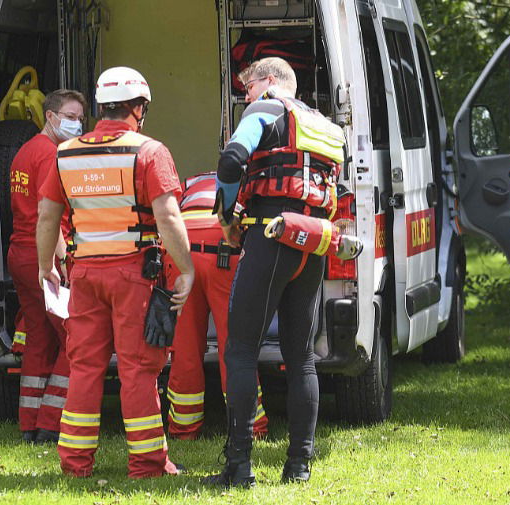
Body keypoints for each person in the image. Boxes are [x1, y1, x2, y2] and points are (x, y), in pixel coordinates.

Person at [36, 66, 195, 477]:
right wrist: (187, 269)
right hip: (133, 276)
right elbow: (169, 218)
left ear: (102, 106)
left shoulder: (65, 153)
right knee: (138, 369)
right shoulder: (148, 151)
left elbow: (46, 217)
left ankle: (74, 464)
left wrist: (45, 267)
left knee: (85, 368)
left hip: (84, 274)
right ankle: (147, 464)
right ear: (138, 107)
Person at [204, 57, 345, 486]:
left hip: (270, 235)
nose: (245, 96)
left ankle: (239, 468)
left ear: (269, 82)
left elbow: (232, 161)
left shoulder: (266, 107)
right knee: (301, 357)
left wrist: (227, 216)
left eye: (247, 87)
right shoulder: (323, 124)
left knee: (241, 350)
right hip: (312, 241)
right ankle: (299, 466)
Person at [164, 171, 269, 440]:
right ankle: (249, 427)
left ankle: (183, 429)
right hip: (223, 252)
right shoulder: (245, 184)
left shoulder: (191, 183)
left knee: (185, 348)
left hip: (181, 251)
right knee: (234, 346)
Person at [8, 89, 86, 444]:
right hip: (44, 255)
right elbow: (48, 215)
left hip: (20, 256)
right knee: (75, 338)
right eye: (71, 116)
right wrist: (59, 261)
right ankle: (52, 422)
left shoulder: (24, 152)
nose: (77, 123)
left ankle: (29, 423)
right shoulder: (51, 155)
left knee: (38, 339)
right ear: (50, 116)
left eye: (81, 117)